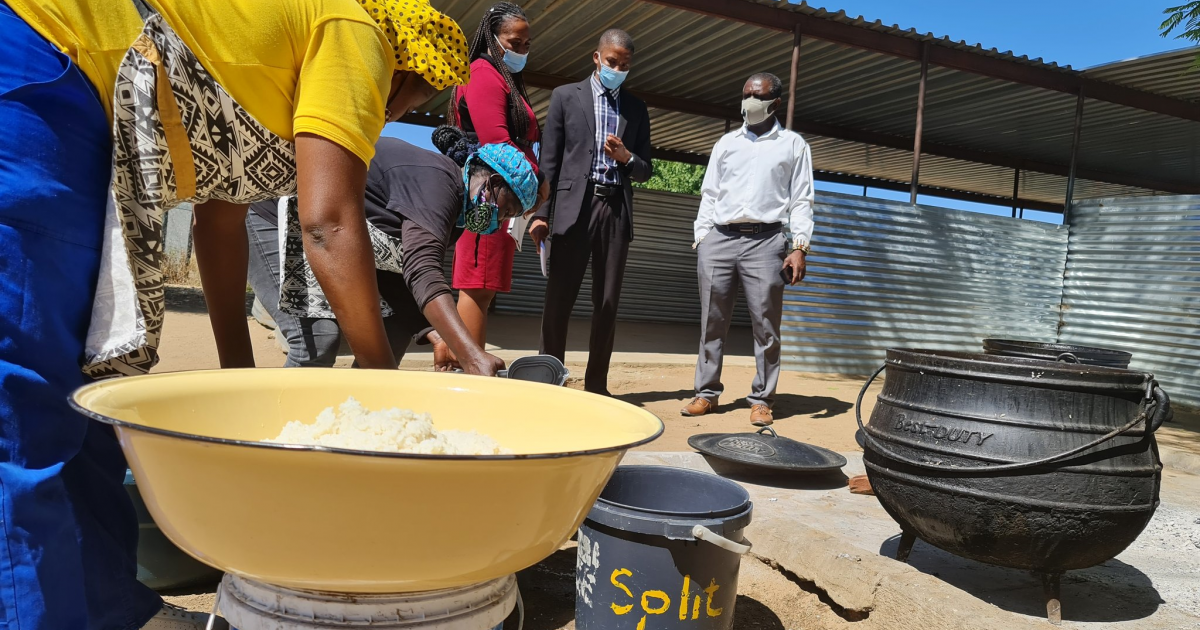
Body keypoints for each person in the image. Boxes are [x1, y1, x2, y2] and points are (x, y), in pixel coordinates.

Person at [0, 0, 467, 628]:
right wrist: (386, 394)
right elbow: (329, 223)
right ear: (406, 71)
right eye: (411, 100)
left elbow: (220, 225)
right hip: (44, 62)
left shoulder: (275, 87)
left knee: (87, 391)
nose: (396, 114)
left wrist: (237, 377)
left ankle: (113, 611)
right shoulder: (359, 34)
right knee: (25, 402)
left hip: (78, 98)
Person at [247, 136, 535, 375]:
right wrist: (470, 355)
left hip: (326, 233)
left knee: (393, 334)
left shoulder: (455, 220)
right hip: (275, 216)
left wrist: (435, 334)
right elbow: (423, 272)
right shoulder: (438, 183)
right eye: (506, 210)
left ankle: (359, 415)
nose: (500, 221)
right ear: (493, 182)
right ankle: (281, 422)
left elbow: (395, 272)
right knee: (317, 341)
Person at [682, 72, 814, 427]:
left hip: (767, 241)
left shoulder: (793, 145)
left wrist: (799, 246)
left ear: (775, 102)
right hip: (720, 239)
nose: (749, 102)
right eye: (746, 95)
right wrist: (702, 237)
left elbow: (802, 199)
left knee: (766, 327)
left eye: (757, 96)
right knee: (712, 323)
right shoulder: (727, 143)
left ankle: (762, 400)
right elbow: (710, 193)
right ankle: (706, 393)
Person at [528, 28, 652, 396]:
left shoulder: (636, 108)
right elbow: (549, 159)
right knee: (558, 299)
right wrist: (540, 213)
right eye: (612, 62)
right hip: (574, 208)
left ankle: (597, 386)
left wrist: (626, 158)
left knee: (607, 302)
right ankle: (549, 381)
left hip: (615, 210)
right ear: (597, 58)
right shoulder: (566, 96)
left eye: (625, 65)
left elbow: (646, 169)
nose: (618, 69)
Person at [446, 3, 549, 350]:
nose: (521, 50)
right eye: (514, 43)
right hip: (487, 194)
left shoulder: (503, 77)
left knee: (484, 285)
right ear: (492, 38)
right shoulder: (483, 72)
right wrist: (538, 180)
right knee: (478, 284)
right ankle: (471, 369)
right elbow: (496, 143)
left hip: (500, 195)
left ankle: (457, 359)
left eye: (526, 44)